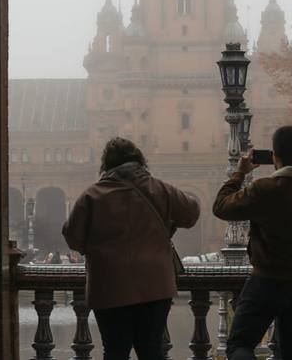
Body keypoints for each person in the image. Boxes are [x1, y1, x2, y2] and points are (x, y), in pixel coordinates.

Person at [62, 136, 200, 360]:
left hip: (108, 285)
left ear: (106, 164)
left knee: (115, 351)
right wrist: (168, 223)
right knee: (151, 350)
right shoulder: (159, 189)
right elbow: (191, 213)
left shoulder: (91, 196)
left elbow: (73, 238)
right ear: (139, 160)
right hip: (155, 285)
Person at [212, 126, 292, 360]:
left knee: (239, 345)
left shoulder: (263, 189)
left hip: (268, 281)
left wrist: (239, 174)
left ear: (274, 155)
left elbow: (221, 207)